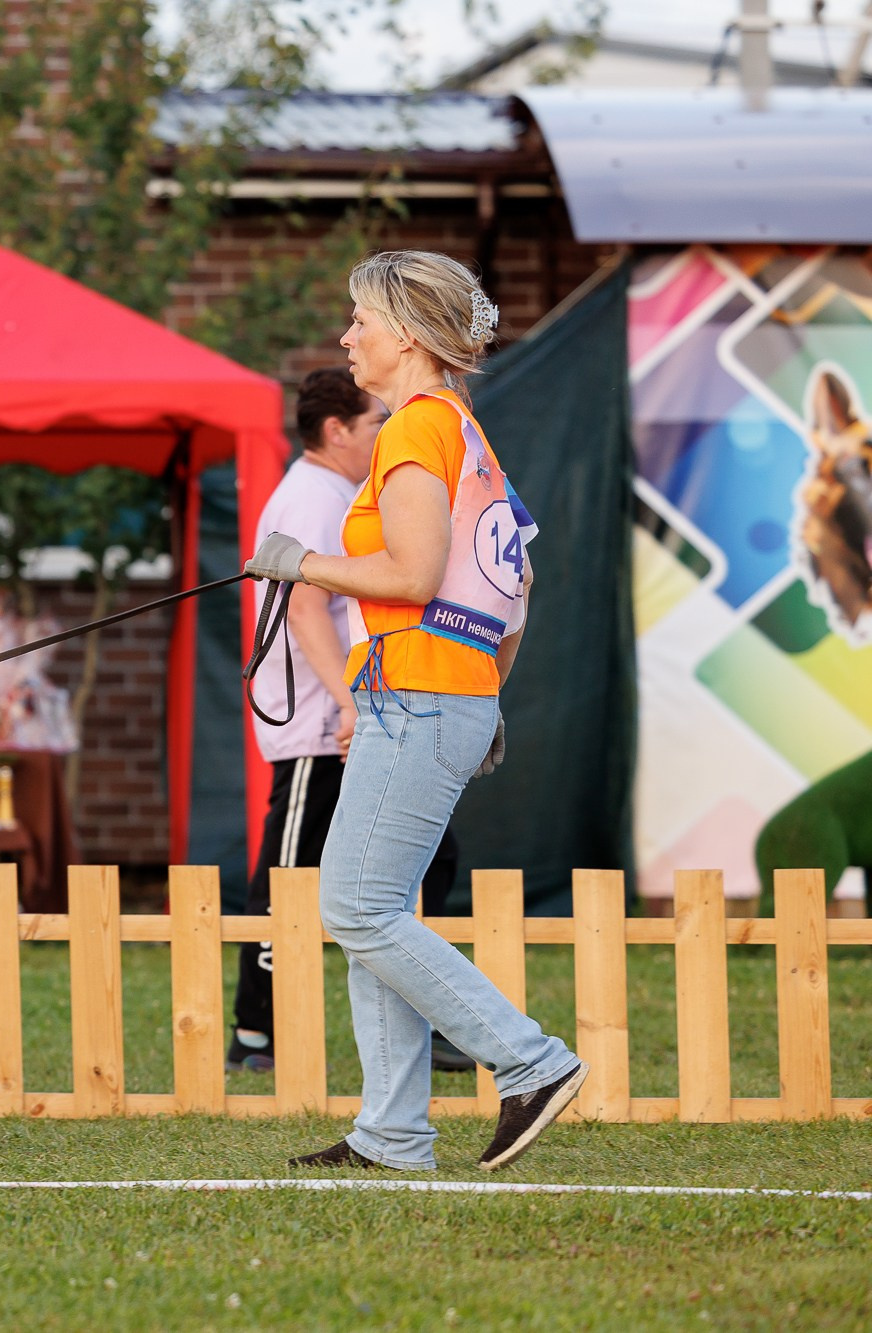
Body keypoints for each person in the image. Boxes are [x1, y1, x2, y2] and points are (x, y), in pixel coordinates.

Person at [245, 251, 585, 1172]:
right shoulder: (464, 432)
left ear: (405, 333)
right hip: (441, 693)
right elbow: (517, 588)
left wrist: (300, 564)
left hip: (417, 695)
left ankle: (531, 1061)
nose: (347, 337)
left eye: (359, 320)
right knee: (378, 907)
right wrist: (482, 688)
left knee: (355, 905)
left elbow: (410, 574)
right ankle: (392, 1135)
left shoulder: (411, 433)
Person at [231, 368, 472, 1078]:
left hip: (350, 714)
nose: (383, 433)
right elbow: (305, 606)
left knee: (429, 857)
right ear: (336, 430)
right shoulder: (311, 495)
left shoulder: (340, 491)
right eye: (374, 423)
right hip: (320, 725)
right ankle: (255, 1034)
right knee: (289, 875)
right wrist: (348, 700)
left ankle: (425, 1014)